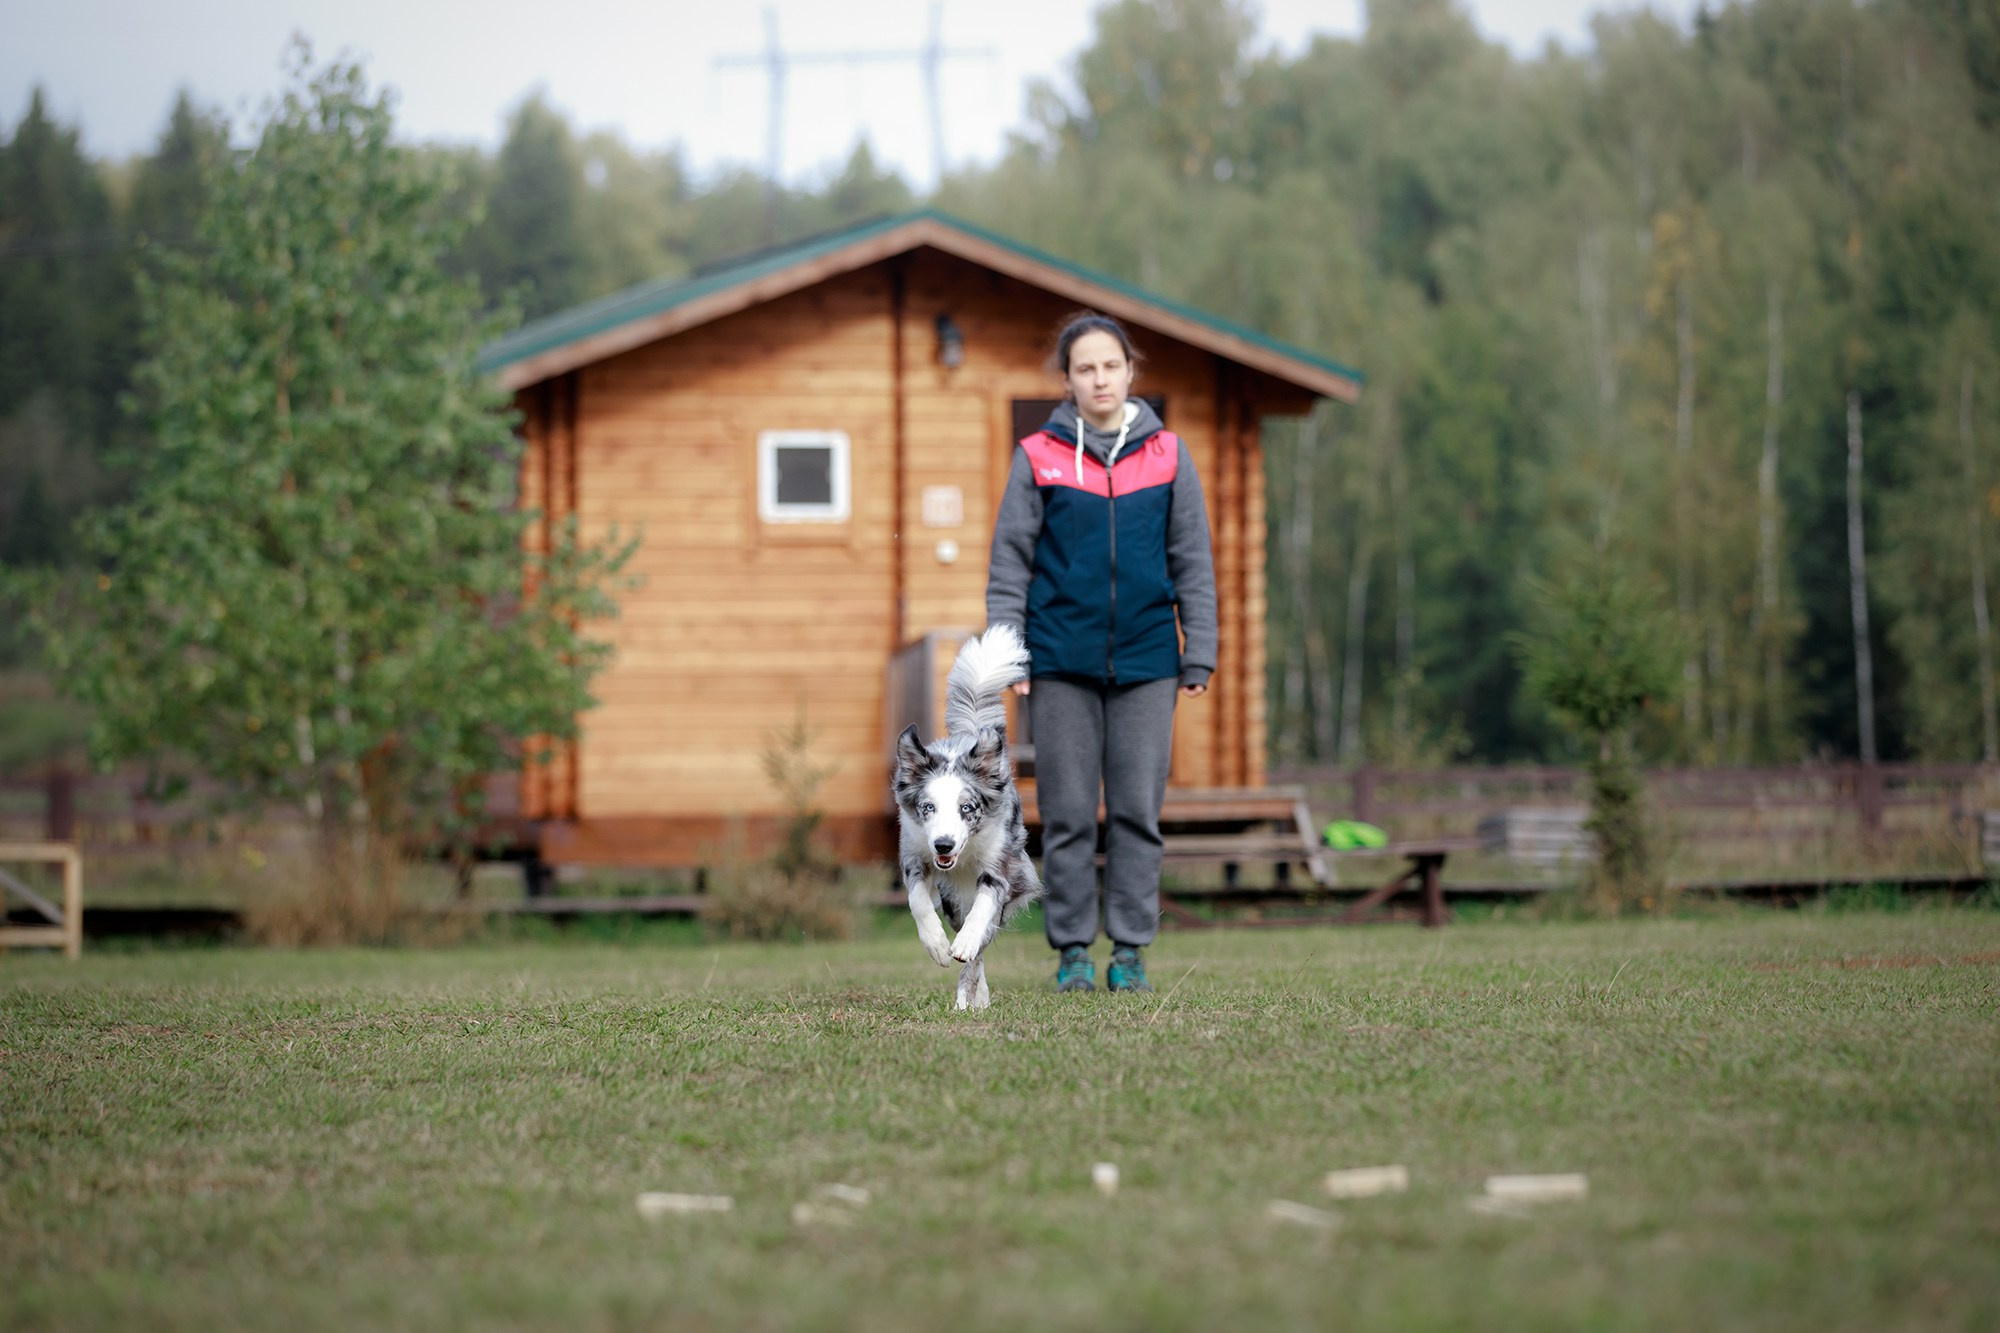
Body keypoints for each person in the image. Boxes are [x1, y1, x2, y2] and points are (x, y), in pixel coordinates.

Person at [986, 312, 1217, 994]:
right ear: (1068, 380)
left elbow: (1192, 559)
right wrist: (1010, 654)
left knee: (1136, 811)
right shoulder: (1038, 456)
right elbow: (1010, 563)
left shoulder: (1169, 455)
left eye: (1110, 365)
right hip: (1059, 661)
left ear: (1129, 371)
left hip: (1149, 660)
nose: (1100, 378)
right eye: (1085, 368)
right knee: (1065, 814)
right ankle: (1073, 952)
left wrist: (1197, 650)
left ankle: (1131, 950)